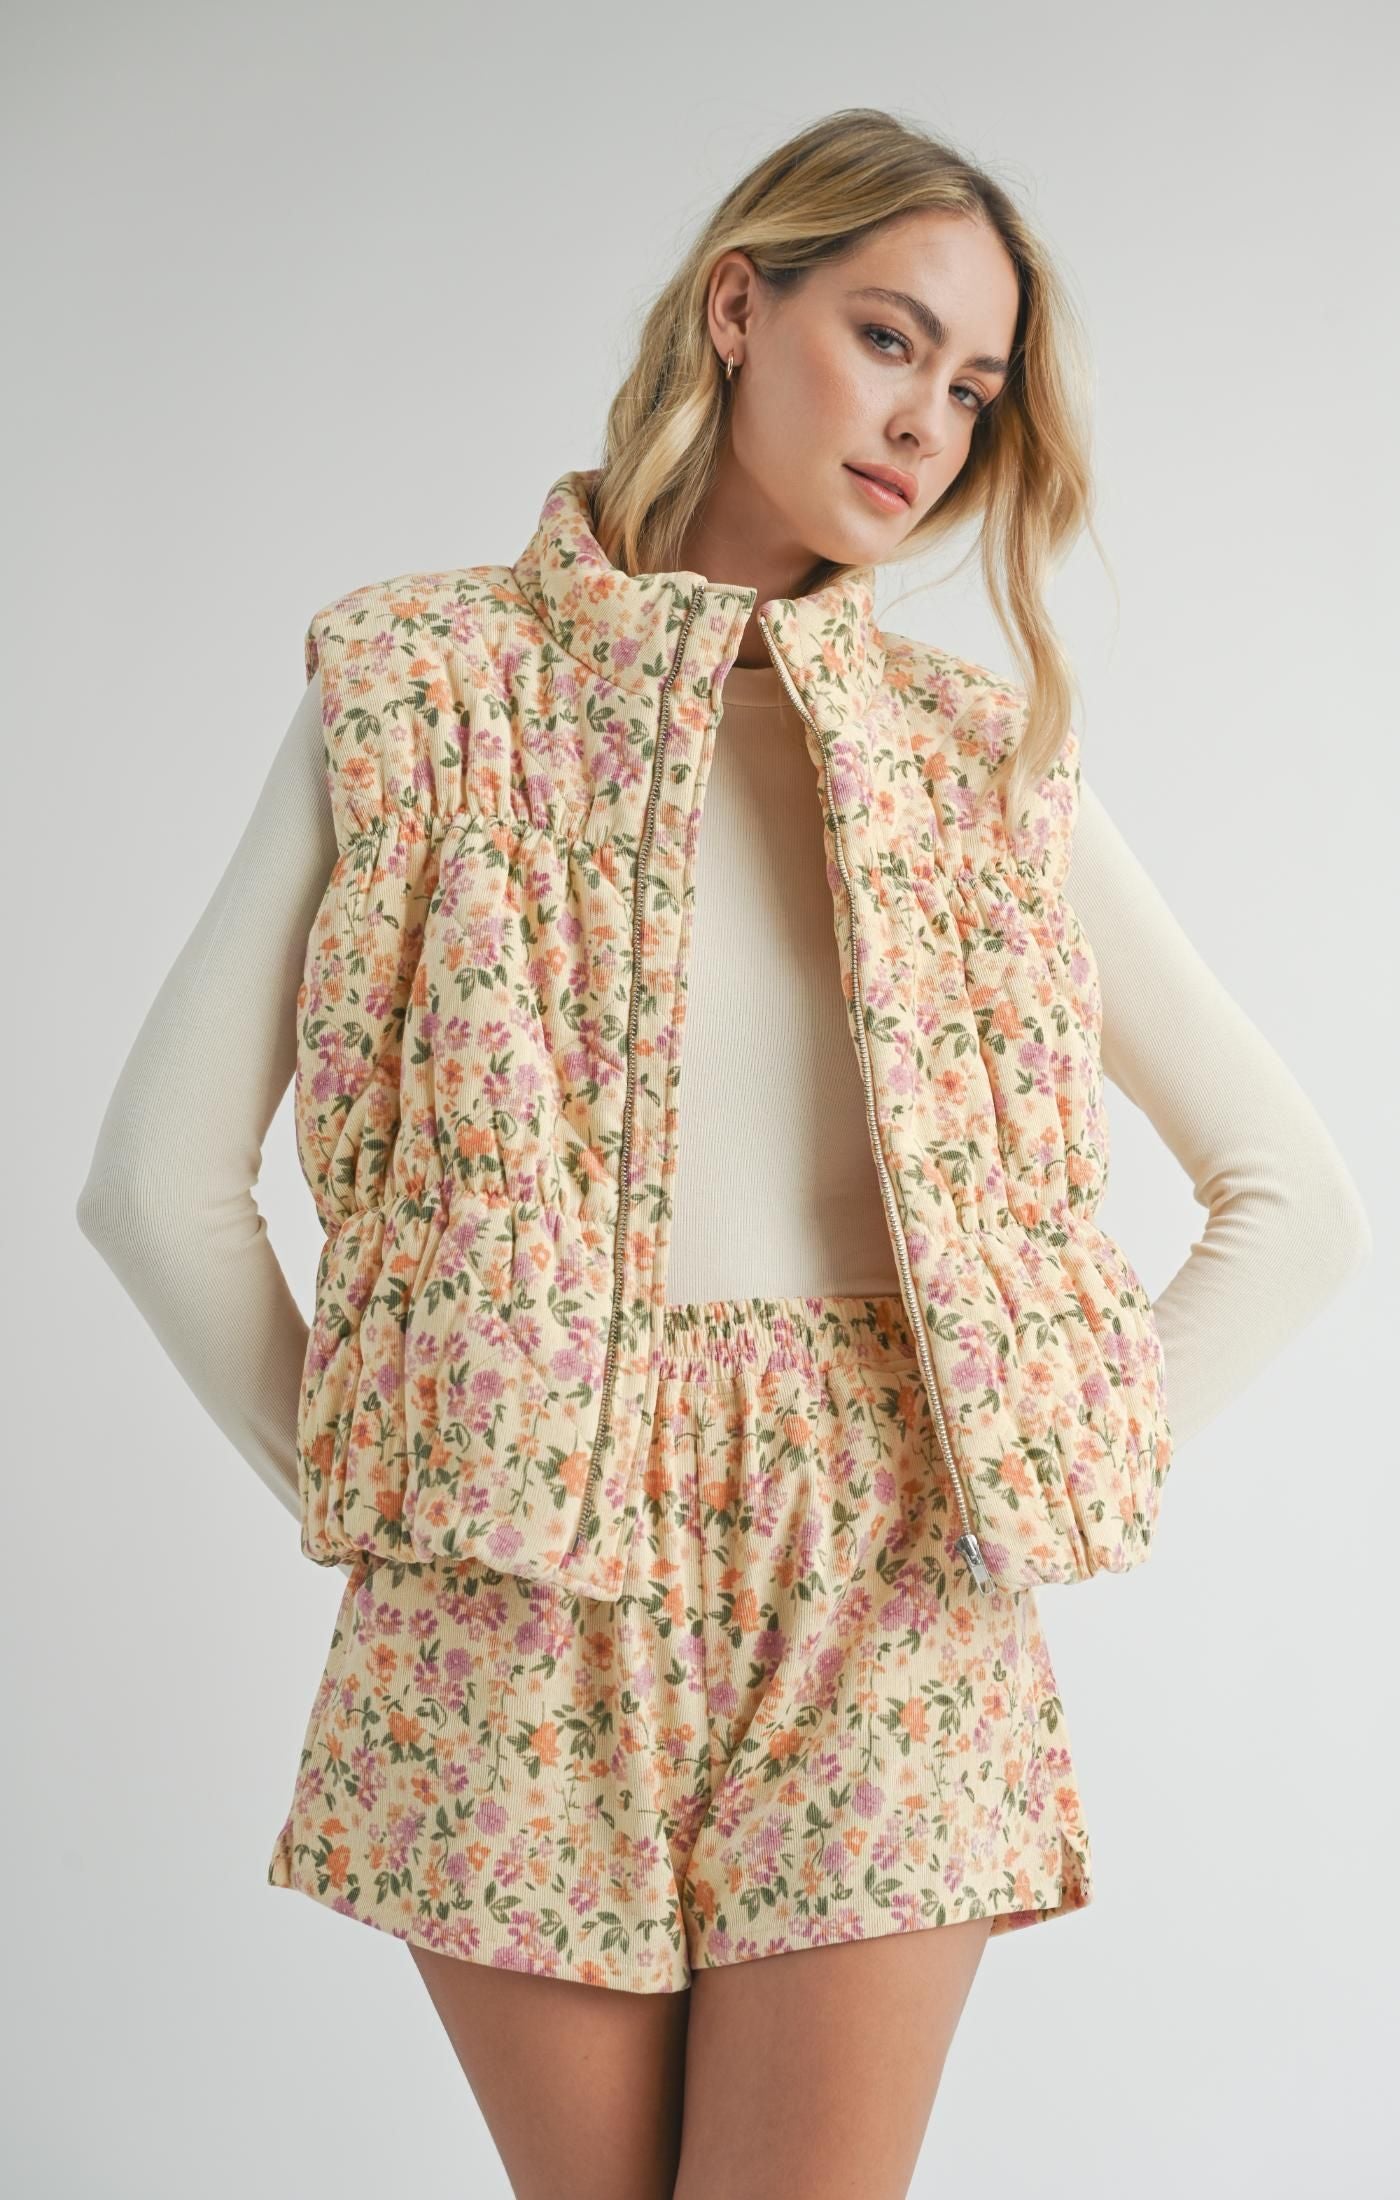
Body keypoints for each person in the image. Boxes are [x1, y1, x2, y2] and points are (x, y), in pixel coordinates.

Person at [75, 109, 1371, 2200]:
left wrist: (1033, 1457)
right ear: (738, 305)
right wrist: (408, 1485)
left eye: (975, 390)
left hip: (885, 1576)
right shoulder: (414, 685)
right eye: (890, 338)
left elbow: (1291, 1199)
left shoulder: (974, 755)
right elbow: (152, 1184)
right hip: (512, 1579)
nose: (928, 424)